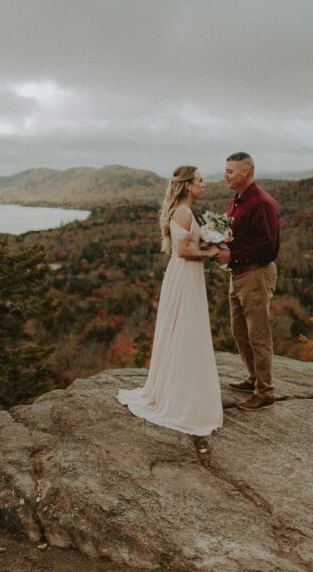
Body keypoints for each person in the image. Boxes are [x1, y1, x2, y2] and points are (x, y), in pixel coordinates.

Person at [117, 165, 224, 436]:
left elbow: (190, 242)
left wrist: (216, 236)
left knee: (185, 330)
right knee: (186, 330)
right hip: (185, 275)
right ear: (188, 185)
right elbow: (184, 250)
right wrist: (210, 252)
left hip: (185, 275)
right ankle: (182, 399)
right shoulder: (184, 211)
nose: (204, 184)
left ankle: (184, 392)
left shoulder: (183, 211)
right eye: (200, 180)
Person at [215, 152, 280, 411]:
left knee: (258, 334)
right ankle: (253, 378)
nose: (225, 175)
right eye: (225, 170)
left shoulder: (261, 203)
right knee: (240, 332)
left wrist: (233, 255)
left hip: (255, 273)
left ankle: (265, 391)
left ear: (246, 172)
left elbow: (267, 248)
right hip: (238, 273)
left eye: (230, 171)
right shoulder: (238, 201)